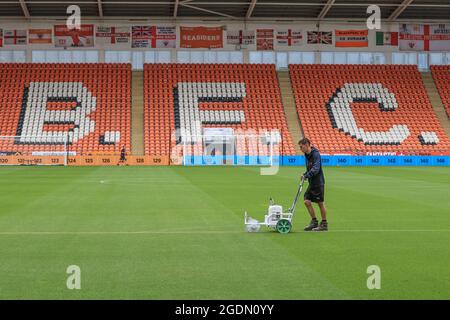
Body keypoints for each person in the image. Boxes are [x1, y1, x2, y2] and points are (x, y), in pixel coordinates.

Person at [298, 138, 328, 231]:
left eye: (301, 147)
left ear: (307, 145)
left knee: (320, 203)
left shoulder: (315, 154)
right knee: (306, 201)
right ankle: (314, 222)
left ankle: (324, 224)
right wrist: (305, 174)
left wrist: (307, 175)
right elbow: (310, 168)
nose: (300, 149)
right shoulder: (306, 155)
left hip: (318, 182)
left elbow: (316, 168)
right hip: (312, 183)